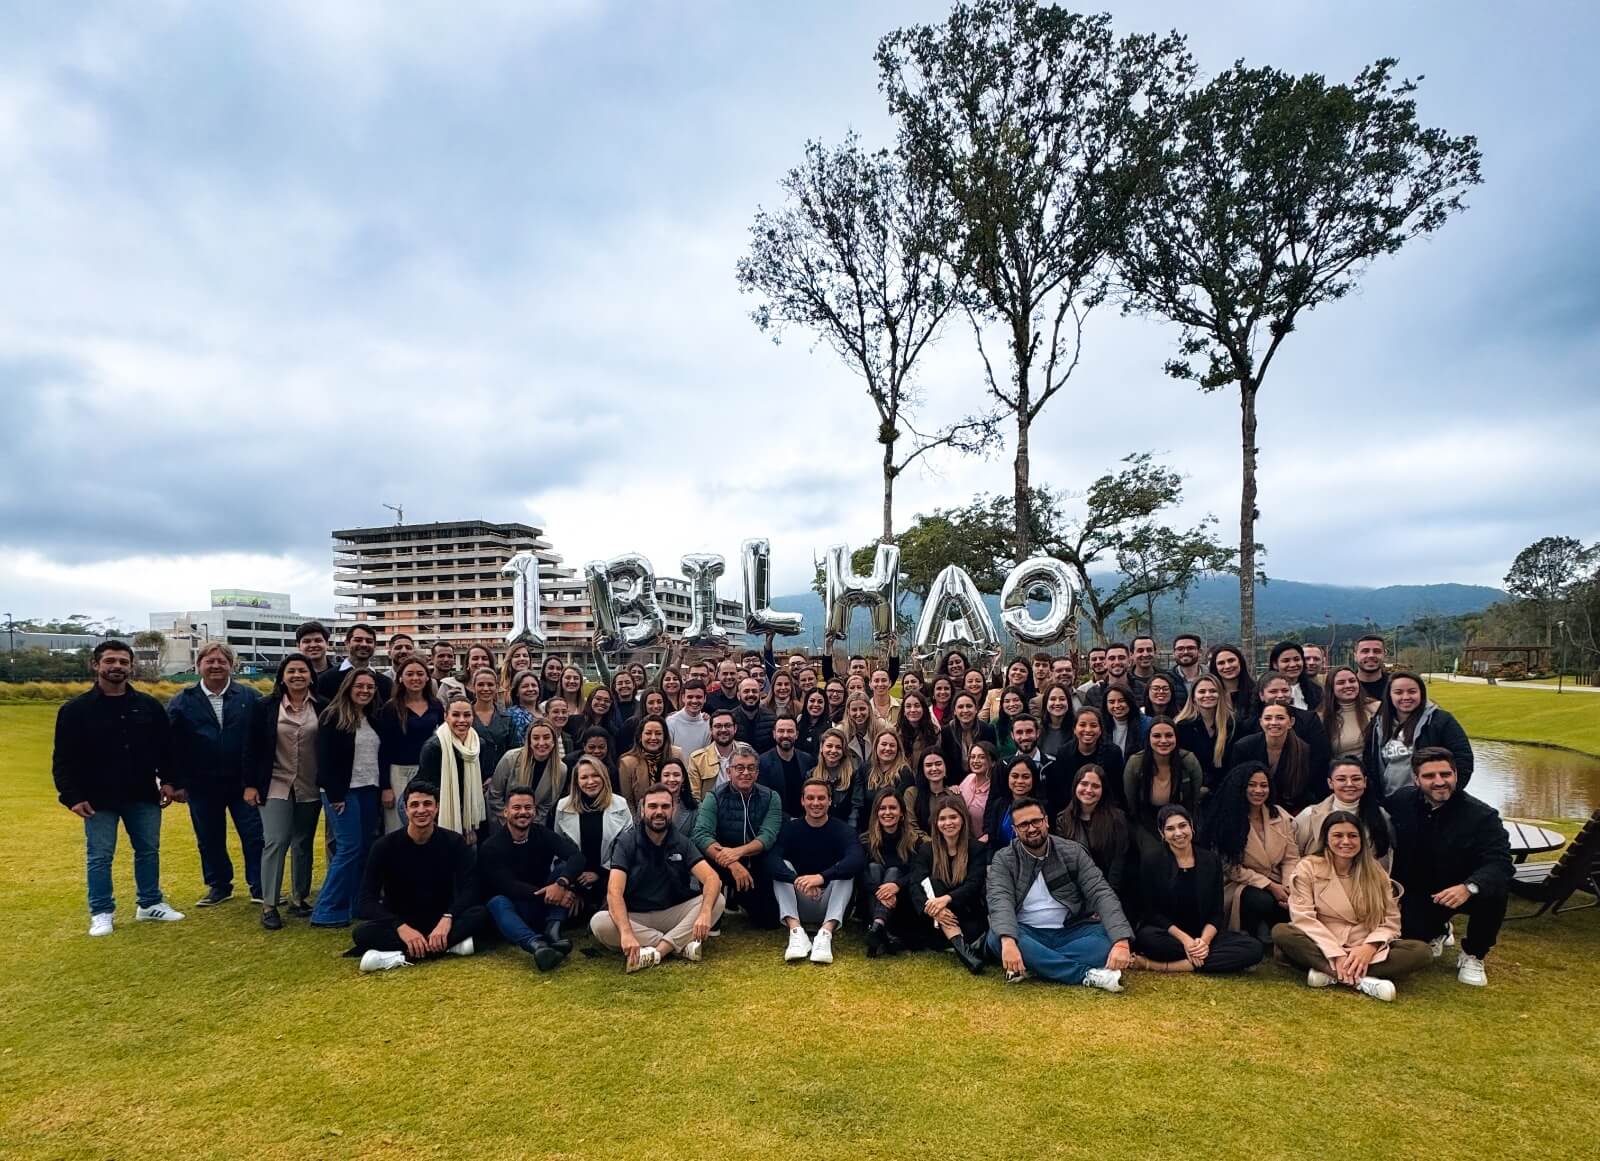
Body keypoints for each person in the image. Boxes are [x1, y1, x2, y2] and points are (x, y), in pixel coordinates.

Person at [53, 640, 184, 935]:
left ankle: (150, 903)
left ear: (131, 667)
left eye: (123, 662)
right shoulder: (75, 710)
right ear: (96, 665)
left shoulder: (148, 705)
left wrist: (170, 782)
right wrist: (71, 796)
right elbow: (63, 758)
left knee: (148, 850)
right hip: (97, 797)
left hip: (142, 793)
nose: (117, 667)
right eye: (110, 661)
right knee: (100, 855)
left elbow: (166, 750)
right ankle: (101, 911)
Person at [1272, 811, 1433, 1001]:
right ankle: (1360, 980)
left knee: (1421, 952)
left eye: (1352, 836)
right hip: (1323, 941)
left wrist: (1369, 948)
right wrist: (1336, 954)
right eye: (1338, 836)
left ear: (1361, 840)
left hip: (1363, 944)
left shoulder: (1375, 870)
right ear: (1326, 839)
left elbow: (1391, 920)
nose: (1346, 841)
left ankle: (1329, 973)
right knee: (1282, 933)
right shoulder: (1308, 867)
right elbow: (1303, 918)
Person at [1388, 747, 1512, 987]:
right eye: (1429, 776)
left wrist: (1469, 887)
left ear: (1456, 775)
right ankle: (1438, 929)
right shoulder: (1402, 801)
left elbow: (1500, 862)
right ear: (1416, 779)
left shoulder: (1482, 815)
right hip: (1419, 890)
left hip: (1462, 888)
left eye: (1445, 774)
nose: (1439, 782)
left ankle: (1474, 954)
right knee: (1411, 938)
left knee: (1495, 889)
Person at [985, 797, 1133, 991]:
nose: (1031, 828)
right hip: (1027, 932)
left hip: (1071, 931)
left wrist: (1121, 942)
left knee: (1106, 940)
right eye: (1023, 824)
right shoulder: (1004, 859)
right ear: (1014, 830)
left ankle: (1035, 962)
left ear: (1046, 821)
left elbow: (1101, 892)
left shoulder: (1072, 852)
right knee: (998, 937)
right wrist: (1009, 942)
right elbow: (1000, 901)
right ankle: (1087, 975)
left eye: (1036, 821)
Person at [349, 780, 486, 972]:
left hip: (441, 919)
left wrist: (448, 917)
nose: (421, 810)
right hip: (401, 921)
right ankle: (447, 947)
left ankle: (398, 955)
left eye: (427, 804)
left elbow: (471, 889)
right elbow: (366, 900)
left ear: (437, 808)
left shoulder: (454, 841)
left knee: (481, 915)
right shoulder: (384, 846)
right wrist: (400, 927)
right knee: (362, 933)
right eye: (414, 805)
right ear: (405, 809)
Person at [165, 641, 263, 908]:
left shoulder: (250, 698)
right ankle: (219, 885)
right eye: (210, 661)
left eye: (222, 661)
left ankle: (260, 885)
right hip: (201, 784)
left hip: (243, 783)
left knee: (254, 835)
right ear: (199, 665)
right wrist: (174, 782)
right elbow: (170, 745)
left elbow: (261, 741)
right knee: (209, 837)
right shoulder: (182, 701)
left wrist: (256, 780)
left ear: (232, 665)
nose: (216, 665)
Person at [591, 783, 726, 972]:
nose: (659, 812)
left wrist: (704, 914)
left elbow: (712, 878)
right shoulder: (626, 842)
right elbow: (614, 892)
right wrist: (627, 932)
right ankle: (680, 945)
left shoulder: (682, 842)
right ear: (642, 809)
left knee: (717, 900)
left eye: (665, 806)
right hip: (635, 916)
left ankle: (658, 951)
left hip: (672, 913)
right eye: (653, 806)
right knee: (599, 923)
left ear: (674, 809)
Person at [1130, 805, 1264, 975]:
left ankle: (1164, 966)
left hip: (1202, 935)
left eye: (1182, 825)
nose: (1178, 833)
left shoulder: (1210, 860)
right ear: (1162, 834)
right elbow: (1152, 913)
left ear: (1192, 826)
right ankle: (1206, 960)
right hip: (1170, 935)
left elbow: (1216, 913)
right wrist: (1186, 941)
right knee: (1146, 939)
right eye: (1170, 829)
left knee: (1253, 948)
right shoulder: (1152, 861)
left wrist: (1204, 942)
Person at [245, 653, 325, 929]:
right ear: (282, 676)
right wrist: (250, 784)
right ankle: (269, 904)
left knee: (303, 842)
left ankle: (299, 898)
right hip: (275, 781)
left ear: (311, 676)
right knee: (276, 840)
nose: (297, 675)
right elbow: (250, 748)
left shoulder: (322, 707)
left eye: (303, 671)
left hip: (310, 783)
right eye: (291, 671)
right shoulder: (264, 707)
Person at [309, 669, 383, 928]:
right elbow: (325, 759)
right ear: (348, 688)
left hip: (368, 789)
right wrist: (335, 794)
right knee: (348, 849)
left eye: (370, 687)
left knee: (364, 849)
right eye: (359, 686)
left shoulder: (372, 717)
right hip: (343, 792)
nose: (365, 691)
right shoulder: (333, 716)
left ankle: (355, 904)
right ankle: (326, 908)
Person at [481, 785, 583, 972]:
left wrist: (562, 884)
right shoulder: (491, 846)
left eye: (528, 808)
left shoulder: (541, 834)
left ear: (535, 811)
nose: (523, 812)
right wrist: (553, 893)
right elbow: (506, 885)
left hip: (545, 906)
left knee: (562, 870)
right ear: (505, 812)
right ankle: (537, 945)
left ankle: (553, 931)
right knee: (496, 902)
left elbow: (576, 857)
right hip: (515, 910)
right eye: (517, 808)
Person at [770, 779, 866, 964]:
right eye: (810, 798)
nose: (816, 803)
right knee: (782, 867)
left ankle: (825, 933)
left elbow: (857, 859)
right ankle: (796, 932)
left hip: (830, 902)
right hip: (799, 901)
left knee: (845, 871)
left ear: (830, 801)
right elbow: (771, 860)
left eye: (821, 798)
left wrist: (821, 878)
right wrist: (798, 880)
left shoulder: (843, 830)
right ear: (802, 801)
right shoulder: (790, 829)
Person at [692, 743, 782, 929]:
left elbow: (768, 836)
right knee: (705, 862)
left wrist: (738, 853)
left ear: (757, 772)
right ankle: (714, 907)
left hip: (755, 860)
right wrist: (732, 862)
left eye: (751, 768)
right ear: (729, 771)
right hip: (722, 862)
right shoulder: (714, 797)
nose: (745, 773)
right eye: (739, 768)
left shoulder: (772, 797)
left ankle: (738, 896)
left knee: (768, 922)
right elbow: (701, 834)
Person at [1209, 762, 1300, 943]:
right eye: (1252, 785)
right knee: (1261, 900)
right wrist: (1270, 886)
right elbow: (1231, 869)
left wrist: (1289, 886)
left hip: (1278, 880)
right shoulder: (1227, 819)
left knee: (1293, 899)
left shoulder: (1280, 815)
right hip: (1239, 884)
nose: (1258, 790)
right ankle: (1250, 931)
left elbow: (1291, 857)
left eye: (1263, 785)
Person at [908, 795, 989, 972]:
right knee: (931, 883)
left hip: (967, 915)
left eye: (953, 817)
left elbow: (974, 885)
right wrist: (934, 910)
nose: (948, 823)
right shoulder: (926, 849)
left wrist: (946, 899)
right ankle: (963, 951)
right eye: (942, 818)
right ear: (936, 823)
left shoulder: (976, 849)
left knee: (936, 887)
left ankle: (960, 946)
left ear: (963, 819)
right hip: (935, 920)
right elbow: (915, 883)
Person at [1364, 672, 1474, 794]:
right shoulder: (1378, 724)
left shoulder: (1440, 720)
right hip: (1389, 802)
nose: (1406, 697)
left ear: (1421, 693)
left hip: (1429, 801)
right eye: (1398, 692)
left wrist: (1447, 795)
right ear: (1389, 695)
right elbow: (1369, 763)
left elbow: (1464, 759)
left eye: (1412, 691)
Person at [550, 756, 633, 915]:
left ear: (604, 777)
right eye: (584, 777)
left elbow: (626, 848)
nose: (590, 781)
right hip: (576, 877)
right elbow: (559, 850)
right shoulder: (563, 806)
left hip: (610, 874)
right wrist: (574, 879)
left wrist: (599, 873)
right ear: (576, 781)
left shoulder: (620, 804)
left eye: (595, 775)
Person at [377, 657, 443, 833]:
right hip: (398, 772)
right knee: (396, 826)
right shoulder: (391, 708)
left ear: (427, 678)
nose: (415, 678)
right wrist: (385, 787)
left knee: (427, 823)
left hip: (428, 771)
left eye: (420, 674)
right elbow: (383, 748)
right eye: (410, 674)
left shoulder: (436, 706)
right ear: (400, 678)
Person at [1122, 717, 1204, 858]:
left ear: (1176, 738)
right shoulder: (1135, 764)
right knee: (1154, 855)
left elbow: (1194, 799)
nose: (1164, 741)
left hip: (1181, 818)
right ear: (1148, 738)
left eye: (1169, 735)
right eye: (1157, 736)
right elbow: (1131, 803)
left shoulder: (1189, 761)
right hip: (1147, 822)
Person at [1294, 757, 1393, 870]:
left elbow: (1385, 855)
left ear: (1365, 782)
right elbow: (1294, 854)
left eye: (1356, 779)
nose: (1349, 784)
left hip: (1365, 883)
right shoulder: (1309, 815)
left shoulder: (1381, 815)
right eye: (1341, 779)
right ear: (1330, 783)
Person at [1052, 764, 1132, 902]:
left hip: (1110, 892)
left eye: (1095, 786)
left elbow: (1119, 862)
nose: (1089, 790)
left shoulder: (1118, 818)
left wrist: (1107, 899)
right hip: (1077, 895)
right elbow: (1064, 864)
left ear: (1103, 790)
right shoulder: (1063, 820)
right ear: (1075, 786)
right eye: (1084, 784)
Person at [415, 695, 489, 842]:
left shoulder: (479, 745)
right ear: (445, 717)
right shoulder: (433, 747)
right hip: (431, 805)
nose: (462, 720)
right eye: (455, 715)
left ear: (473, 717)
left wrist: (470, 825)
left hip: (464, 807)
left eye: (467, 715)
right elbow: (428, 788)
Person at [860, 788, 923, 956]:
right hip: (872, 896)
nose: (887, 812)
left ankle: (877, 929)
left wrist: (896, 885)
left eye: (893, 808)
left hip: (901, 900)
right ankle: (880, 928)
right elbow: (861, 873)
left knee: (894, 872)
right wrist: (878, 891)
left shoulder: (914, 841)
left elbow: (918, 872)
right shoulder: (865, 840)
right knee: (873, 868)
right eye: (882, 808)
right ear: (876, 812)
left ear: (902, 813)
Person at [1041, 707, 1126, 819]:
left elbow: (1116, 792)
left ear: (1100, 730)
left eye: (1093, 725)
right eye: (1082, 725)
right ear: (1075, 729)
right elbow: (1061, 792)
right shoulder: (1064, 753)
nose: (1088, 729)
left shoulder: (1113, 753)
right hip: (1072, 813)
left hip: (1105, 813)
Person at [1233, 703, 1317, 815]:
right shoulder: (1243, 747)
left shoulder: (1304, 750)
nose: (1273, 723)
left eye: (1280, 718)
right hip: (1249, 808)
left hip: (1290, 810)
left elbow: (1306, 789)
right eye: (1268, 718)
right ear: (1261, 723)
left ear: (1291, 722)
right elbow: (1235, 784)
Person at [488, 717, 566, 819]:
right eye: (536, 738)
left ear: (554, 741)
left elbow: (546, 806)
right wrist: (511, 823)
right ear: (529, 741)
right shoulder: (510, 758)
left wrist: (529, 826)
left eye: (546, 737)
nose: (541, 743)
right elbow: (495, 796)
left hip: (535, 823)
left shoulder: (561, 769)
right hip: (503, 820)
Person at [1174, 673, 1236, 792]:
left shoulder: (1233, 725)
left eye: (1213, 691)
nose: (1207, 695)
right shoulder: (1182, 727)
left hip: (1225, 790)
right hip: (1192, 792)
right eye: (1202, 692)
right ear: (1193, 697)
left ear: (1220, 695)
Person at [618, 714, 685, 814]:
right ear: (640, 736)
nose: (653, 737)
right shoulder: (627, 763)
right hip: (641, 819)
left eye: (658, 733)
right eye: (648, 733)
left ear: (665, 736)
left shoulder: (676, 754)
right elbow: (628, 802)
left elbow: (684, 790)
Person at [316, 623, 393, 701]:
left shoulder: (385, 683)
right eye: (358, 640)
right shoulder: (326, 679)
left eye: (369, 641)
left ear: (375, 645)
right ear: (347, 643)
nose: (364, 644)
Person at [983, 755, 1044, 848]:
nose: (1019, 781)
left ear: (1033, 779)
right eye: (1015, 776)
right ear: (1007, 778)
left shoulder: (1042, 807)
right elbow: (992, 842)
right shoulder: (999, 805)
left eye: (1025, 777)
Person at [759, 715, 814, 815]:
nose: (785, 735)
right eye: (781, 731)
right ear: (774, 734)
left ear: (796, 734)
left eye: (790, 731)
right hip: (776, 819)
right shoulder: (763, 762)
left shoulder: (807, 760)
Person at [1320, 665, 1378, 760]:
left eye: (1352, 681)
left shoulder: (1376, 708)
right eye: (1341, 683)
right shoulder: (1321, 717)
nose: (1348, 685)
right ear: (1331, 687)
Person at [467, 666, 516, 777]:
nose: (485, 688)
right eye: (480, 684)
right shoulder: (464, 716)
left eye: (490, 684)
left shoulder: (507, 718)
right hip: (470, 776)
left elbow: (512, 753)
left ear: (497, 687)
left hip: (500, 777)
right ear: (473, 687)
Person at [688, 709, 740, 800]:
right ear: (711, 730)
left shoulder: (747, 753)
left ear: (735, 728)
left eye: (727, 725)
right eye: (718, 726)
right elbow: (694, 797)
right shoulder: (697, 759)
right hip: (710, 811)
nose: (723, 730)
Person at [958, 740, 999, 841]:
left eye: (982, 757)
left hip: (982, 844)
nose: (975, 761)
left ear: (993, 762)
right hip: (961, 840)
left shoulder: (996, 789)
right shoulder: (968, 779)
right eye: (972, 757)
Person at [1102, 684, 1148, 762]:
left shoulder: (1146, 724)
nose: (1116, 705)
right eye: (1111, 702)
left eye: (1121, 701)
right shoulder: (1101, 725)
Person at [731, 677, 777, 753]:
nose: (751, 694)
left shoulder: (772, 719)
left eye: (754, 691)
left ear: (760, 694)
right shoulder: (730, 719)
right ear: (738, 696)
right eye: (746, 691)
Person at [666, 679, 712, 755]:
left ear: (705, 698)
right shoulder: (671, 722)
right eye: (690, 697)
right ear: (683, 698)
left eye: (698, 697)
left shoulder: (707, 723)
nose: (694, 701)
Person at [656, 757, 700, 835]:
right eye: (666, 775)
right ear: (660, 778)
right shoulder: (644, 804)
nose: (672, 779)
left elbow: (696, 839)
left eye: (676, 775)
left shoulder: (695, 808)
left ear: (683, 778)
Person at [1207, 644, 1255, 716]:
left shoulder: (1256, 692)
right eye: (1221, 663)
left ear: (1240, 662)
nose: (1227, 666)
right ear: (1215, 667)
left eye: (1231, 660)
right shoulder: (1209, 695)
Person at [506, 670, 545, 745]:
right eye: (525, 686)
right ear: (516, 692)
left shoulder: (546, 712)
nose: (530, 689)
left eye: (534, 685)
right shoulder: (511, 715)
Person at [294, 620, 336, 685]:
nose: (313, 645)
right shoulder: (291, 678)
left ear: (327, 644)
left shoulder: (340, 675)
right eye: (307, 641)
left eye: (318, 640)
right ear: (298, 646)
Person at [1353, 633, 1389, 702]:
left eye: (1377, 651)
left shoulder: (1396, 686)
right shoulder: (1345, 687)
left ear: (1385, 655)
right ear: (1355, 655)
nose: (1371, 655)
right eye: (1365, 651)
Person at [1170, 632, 1204, 701]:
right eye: (1180, 649)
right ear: (1173, 653)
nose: (1185, 652)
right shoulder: (1167, 679)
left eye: (1190, 648)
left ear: (1199, 652)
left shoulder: (1213, 676)